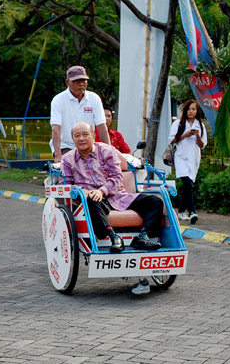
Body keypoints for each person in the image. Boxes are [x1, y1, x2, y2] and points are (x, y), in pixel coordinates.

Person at [63, 122, 164, 294]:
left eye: (85, 134)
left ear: (93, 136)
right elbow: (66, 185)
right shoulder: (68, 159)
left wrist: (102, 190)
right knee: (91, 201)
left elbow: (117, 178)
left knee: (155, 201)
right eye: (77, 135)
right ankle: (112, 236)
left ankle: (143, 236)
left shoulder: (106, 151)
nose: (81, 138)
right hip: (92, 200)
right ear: (72, 139)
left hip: (118, 195)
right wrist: (86, 192)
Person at [50, 65, 111, 162]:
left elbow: (102, 126)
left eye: (84, 81)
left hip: (89, 145)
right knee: (76, 166)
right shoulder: (58, 100)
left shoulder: (94, 98)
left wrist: (109, 151)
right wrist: (58, 155)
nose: (81, 84)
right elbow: (55, 128)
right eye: (77, 81)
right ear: (67, 82)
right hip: (65, 145)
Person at [168, 99, 207, 225]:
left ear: (197, 111)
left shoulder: (200, 125)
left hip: (193, 158)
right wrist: (185, 135)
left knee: (187, 186)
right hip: (181, 157)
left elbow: (202, 145)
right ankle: (192, 211)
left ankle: (181, 211)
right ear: (185, 110)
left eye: (194, 109)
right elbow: (172, 140)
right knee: (187, 184)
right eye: (189, 109)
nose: (191, 111)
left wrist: (197, 136)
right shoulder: (178, 123)